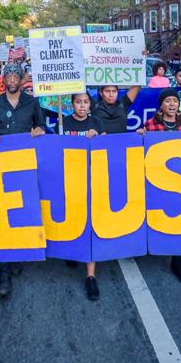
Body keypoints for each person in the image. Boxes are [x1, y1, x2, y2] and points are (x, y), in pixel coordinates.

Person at [0, 62, 46, 299]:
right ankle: (3, 271)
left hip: (26, 168)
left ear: (21, 78)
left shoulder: (32, 102)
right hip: (0, 168)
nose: (13, 79)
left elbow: (43, 125)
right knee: (1, 217)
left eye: (17, 75)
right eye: (9, 75)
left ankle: (17, 255)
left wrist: (40, 131)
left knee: (22, 215)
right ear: (4, 79)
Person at [138, 89, 181, 285]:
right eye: (167, 101)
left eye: (174, 101)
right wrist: (140, 136)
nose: (172, 104)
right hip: (156, 179)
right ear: (161, 105)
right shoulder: (150, 125)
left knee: (180, 218)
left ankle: (177, 262)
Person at [58, 93, 106, 300]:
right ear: (72, 104)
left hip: (92, 179)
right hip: (69, 179)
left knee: (90, 226)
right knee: (72, 221)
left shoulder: (97, 122)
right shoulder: (63, 122)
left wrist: (99, 138)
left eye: (86, 102)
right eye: (78, 102)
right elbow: (54, 150)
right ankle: (71, 252)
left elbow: (106, 150)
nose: (82, 105)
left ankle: (91, 276)